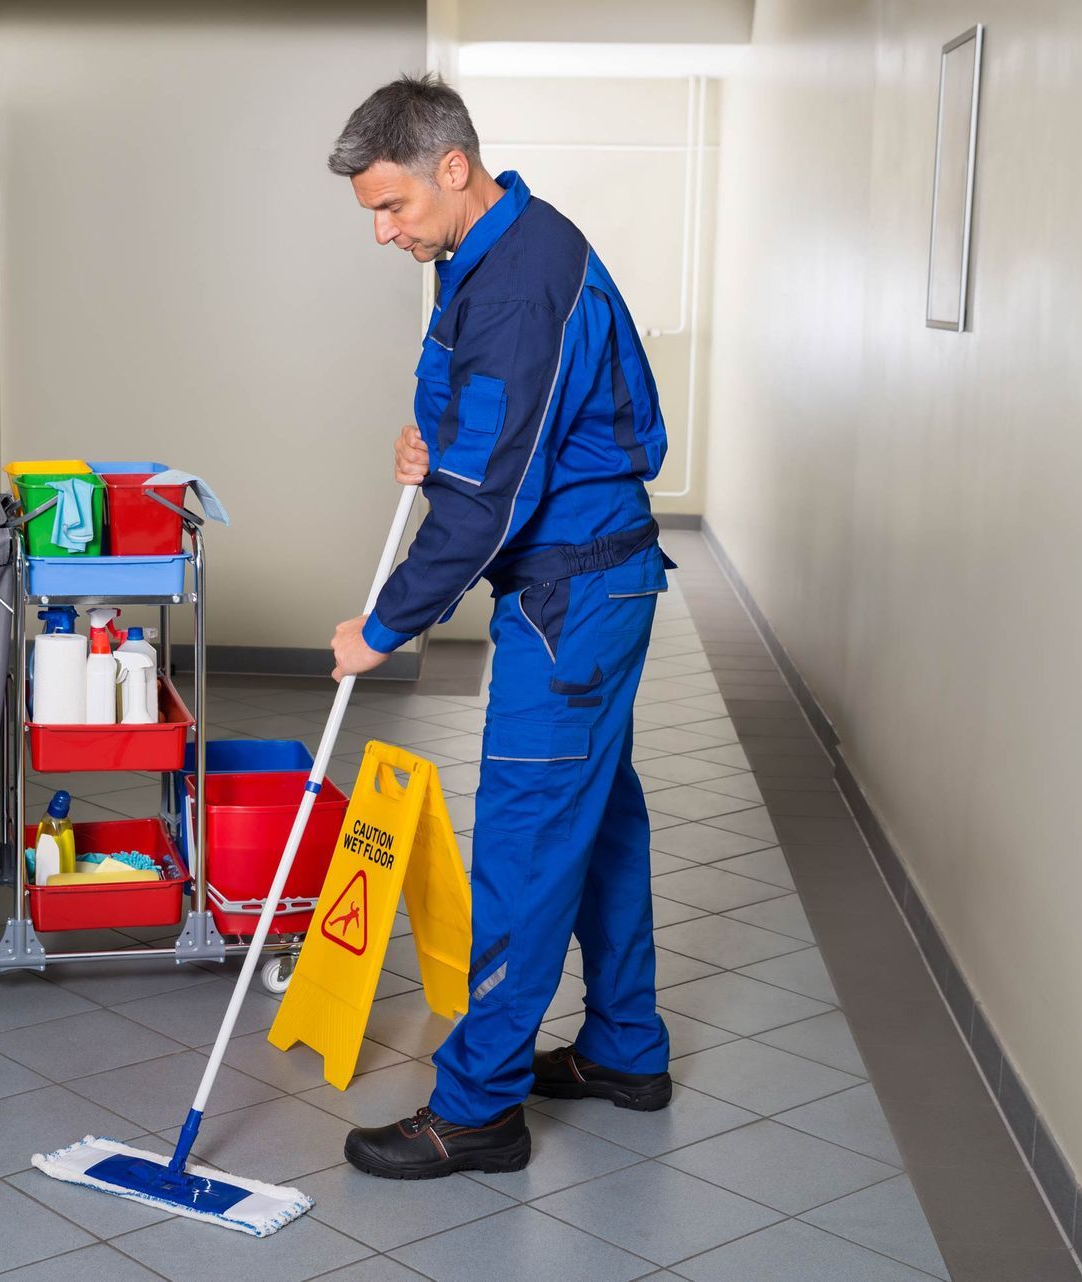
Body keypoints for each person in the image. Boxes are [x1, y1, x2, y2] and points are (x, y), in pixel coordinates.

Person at [325, 73, 677, 1179]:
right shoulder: (493, 253)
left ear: (453, 168)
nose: (385, 233)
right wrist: (427, 441)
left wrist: (381, 628)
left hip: (570, 601)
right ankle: (626, 1047)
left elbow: (489, 501)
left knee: (525, 844)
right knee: (602, 821)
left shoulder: (519, 283)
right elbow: (493, 426)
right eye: (373, 215)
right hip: (597, 582)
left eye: (393, 207)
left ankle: (477, 1108)